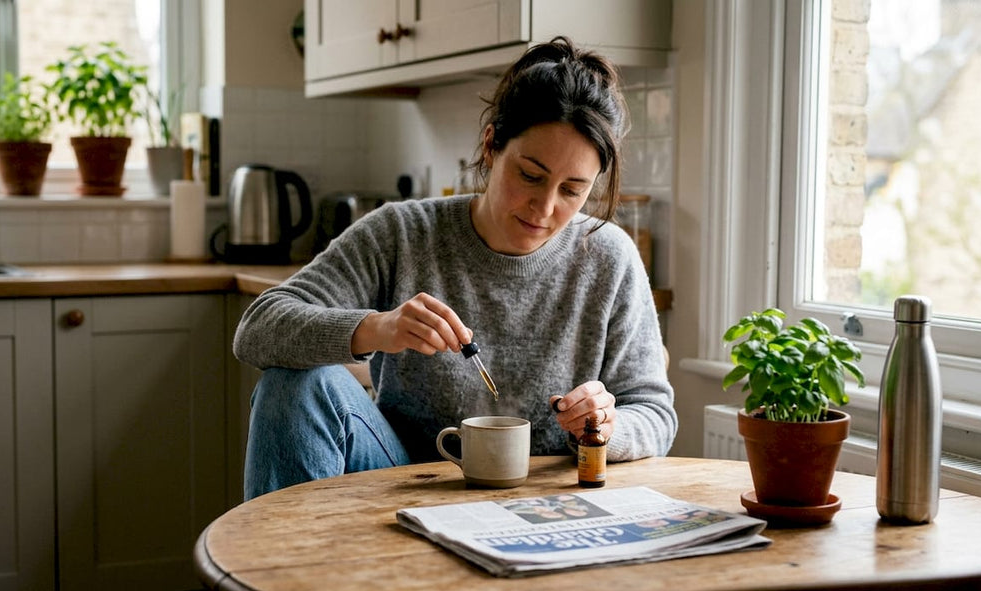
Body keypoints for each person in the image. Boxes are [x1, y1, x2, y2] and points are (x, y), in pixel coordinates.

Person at [234, 36, 676, 500]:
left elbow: (655, 415)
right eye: (530, 175)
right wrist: (376, 328)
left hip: (547, 497)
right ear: (491, 147)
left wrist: (607, 424)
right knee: (294, 385)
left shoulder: (610, 257)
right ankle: (284, 567)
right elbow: (257, 328)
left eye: (572, 190)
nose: (544, 207)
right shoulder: (402, 233)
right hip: (403, 476)